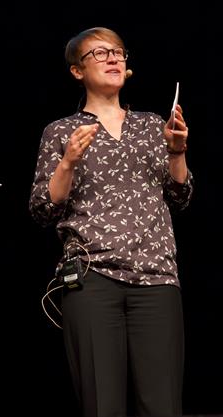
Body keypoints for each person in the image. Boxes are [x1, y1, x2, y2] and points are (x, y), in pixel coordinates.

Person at [29, 27, 192, 417]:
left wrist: (177, 151)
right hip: (91, 278)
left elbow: (182, 197)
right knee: (103, 406)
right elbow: (41, 209)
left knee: (163, 405)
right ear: (77, 71)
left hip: (156, 278)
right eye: (100, 54)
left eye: (118, 52)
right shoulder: (61, 131)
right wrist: (67, 161)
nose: (114, 59)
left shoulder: (154, 126)